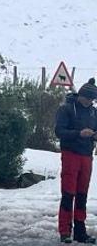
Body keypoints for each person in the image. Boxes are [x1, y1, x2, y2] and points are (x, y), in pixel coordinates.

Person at [56, 78, 97, 243]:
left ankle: (80, 232)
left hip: (87, 155)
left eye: (93, 100)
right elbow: (59, 131)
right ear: (81, 95)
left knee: (82, 194)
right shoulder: (66, 109)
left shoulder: (94, 112)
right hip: (70, 154)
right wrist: (78, 133)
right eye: (88, 98)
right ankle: (65, 231)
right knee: (68, 193)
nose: (90, 102)